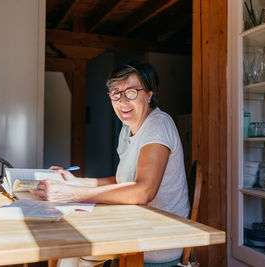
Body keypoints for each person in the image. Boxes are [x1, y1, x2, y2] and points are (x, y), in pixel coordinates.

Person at [31, 60, 190, 266]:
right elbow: (122, 180)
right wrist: (75, 182)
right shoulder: (127, 128)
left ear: (149, 95)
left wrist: (70, 193)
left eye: (131, 92)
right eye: (116, 93)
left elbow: (143, 191)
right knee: (69, 244)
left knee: (74, 245)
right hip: (135, 223)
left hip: (160, 238)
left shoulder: (158, 125)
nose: (122, 101)